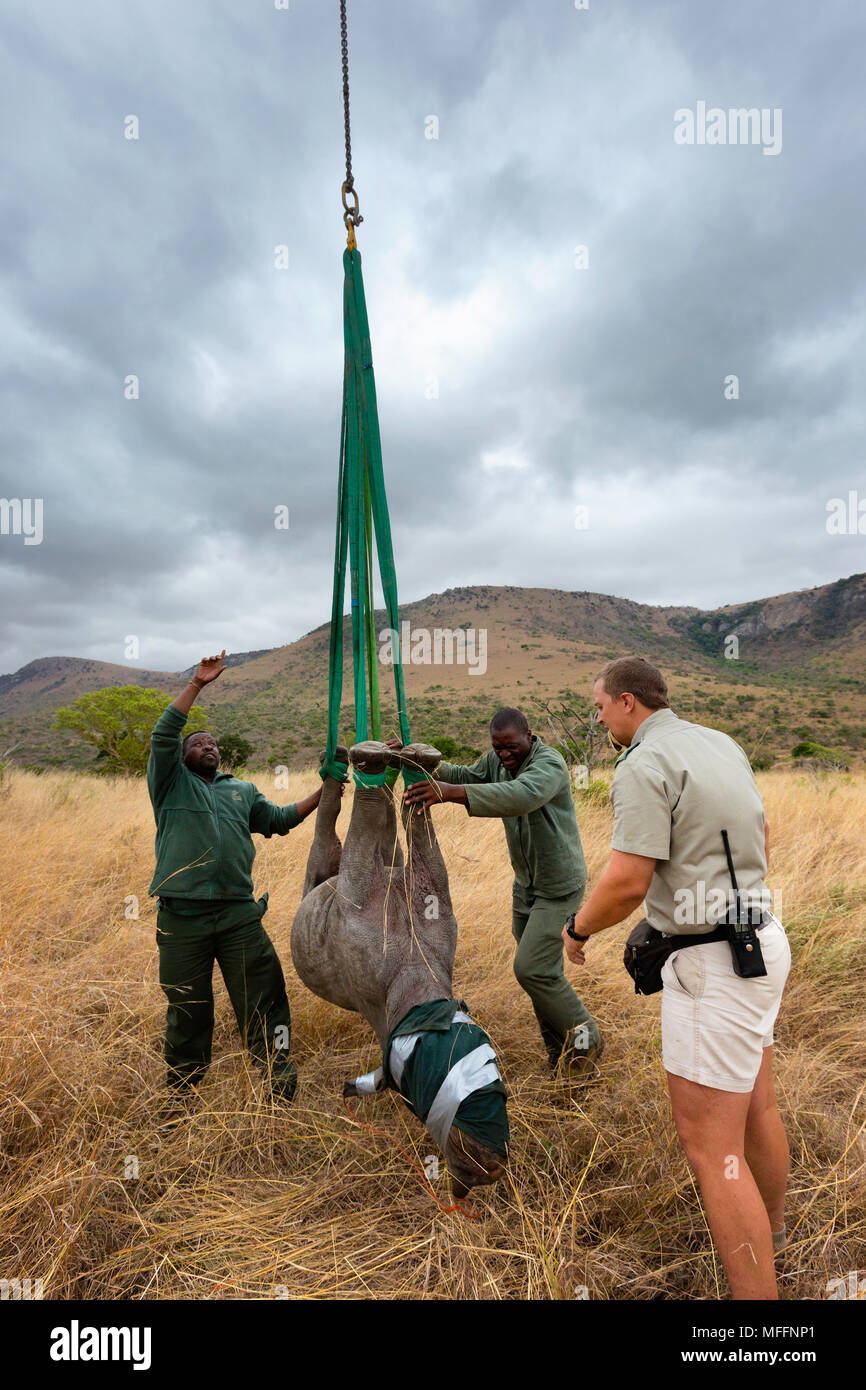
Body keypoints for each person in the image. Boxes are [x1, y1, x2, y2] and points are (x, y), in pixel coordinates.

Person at [562, 656, 791, 1300]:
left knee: (712, 1152)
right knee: (758, 1108)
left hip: (714, 966)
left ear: (629, 703)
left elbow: (627, 881)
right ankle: (772, 1243)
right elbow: (762, 837)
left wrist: (578, 930)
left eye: (600, 706)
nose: (598, 717)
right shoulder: (721, 743)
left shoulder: (642, 764)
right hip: (763, 941)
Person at [146, 649, 325, 1104]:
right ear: (182, 756)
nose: (208, 746)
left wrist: (328, 789)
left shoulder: (240, 791)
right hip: (182, 918)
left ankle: (279, 1083)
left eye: (213, 743)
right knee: (188, 1009)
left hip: (238, 916)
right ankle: (182, 1096)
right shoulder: (169, 784)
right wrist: (197, 685)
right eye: (198, 743)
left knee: (265, 998)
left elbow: (282, 819)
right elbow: (164, 733)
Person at [399, 707, 602, 1077]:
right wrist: (418, 757)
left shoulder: (549, 764)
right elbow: (464, 774)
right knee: (544, 976)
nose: (504, 755)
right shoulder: (496, 761)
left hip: (558, 888)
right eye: (497, 747)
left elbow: (521, 795)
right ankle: (560, 1055)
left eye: (511, 747)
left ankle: (587, 1042)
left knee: (532, 970)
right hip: (525, 887)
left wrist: (451, 793)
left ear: (529, 735)